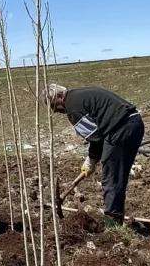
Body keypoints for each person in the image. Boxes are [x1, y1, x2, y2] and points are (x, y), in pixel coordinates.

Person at [44, 83, 144, 228]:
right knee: (117, 177)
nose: (55, 111)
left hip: (119, 130)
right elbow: (99, 136)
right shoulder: (80, 95)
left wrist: (91, 160)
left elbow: (96, 138)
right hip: (134, 122)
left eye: (54, 105)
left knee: (112, 179)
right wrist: (92, 158)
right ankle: (116, 221)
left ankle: (113, 228)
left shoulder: (73, 108)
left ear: (59, 97)